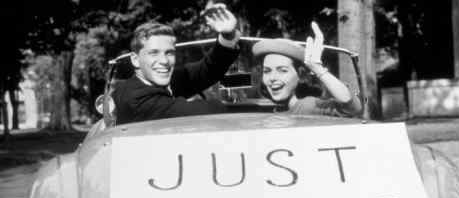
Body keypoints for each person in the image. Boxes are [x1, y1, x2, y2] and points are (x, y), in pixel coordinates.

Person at [113, 4, 241, 125]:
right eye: (153, 53)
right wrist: (242, 108)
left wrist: (228, 35)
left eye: (169, 53)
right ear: (135, 60)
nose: (164, 61)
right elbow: (209, 111)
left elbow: (206, 70)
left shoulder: (154, 81)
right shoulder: (135, 99)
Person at [252, 22, 362, 117]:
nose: (272, 78)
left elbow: (352, 107)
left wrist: (317, 68)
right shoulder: (263, 109)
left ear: (299, 74)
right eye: (267, 71)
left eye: (282, 70)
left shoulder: (307, 107)